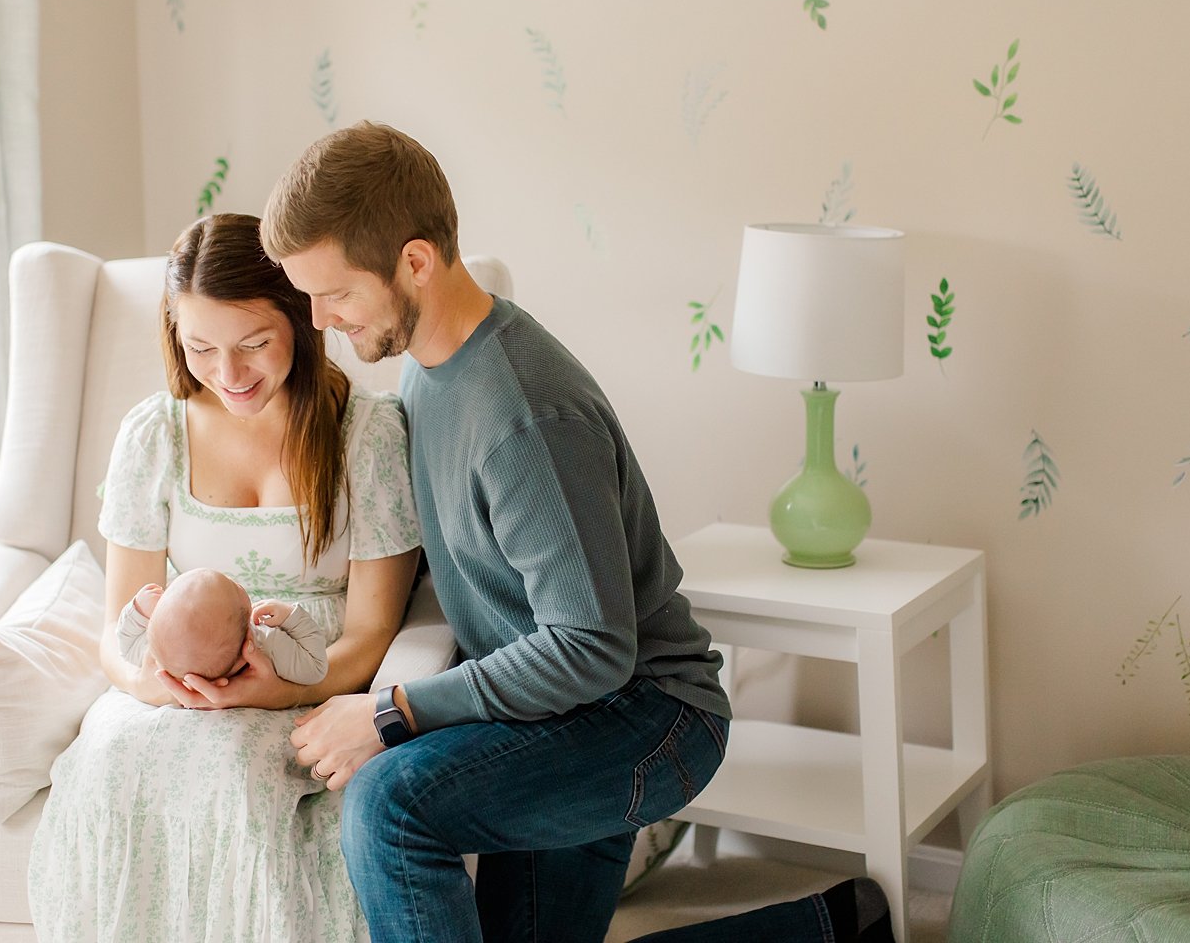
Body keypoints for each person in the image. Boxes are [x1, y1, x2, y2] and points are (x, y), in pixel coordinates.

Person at [260, 121, 897, 943]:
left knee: (390, 804)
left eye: (335, 293)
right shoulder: (424, 367)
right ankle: (833, 927)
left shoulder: (525, 414)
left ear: (415, 262)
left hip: (641, 716)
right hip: (550, 711)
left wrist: (394, 712)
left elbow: (593, 647)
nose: (317, 320)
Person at [27, 212, 422, 943]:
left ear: (301, 322)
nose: (229, 374)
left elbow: (372, 633)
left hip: (310, 674)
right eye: (200, 347)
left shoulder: (366, 435)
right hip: (174, 680)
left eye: (253, 345)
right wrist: (155, 687)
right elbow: (118, 631)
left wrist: (286, 688)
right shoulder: (154, 434)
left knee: (237, 774)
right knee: (115, 760)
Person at [115, 568, 329, 687]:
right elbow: (316, 667)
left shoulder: (162, 657)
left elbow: (126, 647)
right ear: (249, 635)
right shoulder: (267, 643)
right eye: (234, 585)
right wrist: (290, 616)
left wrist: (137, 611)